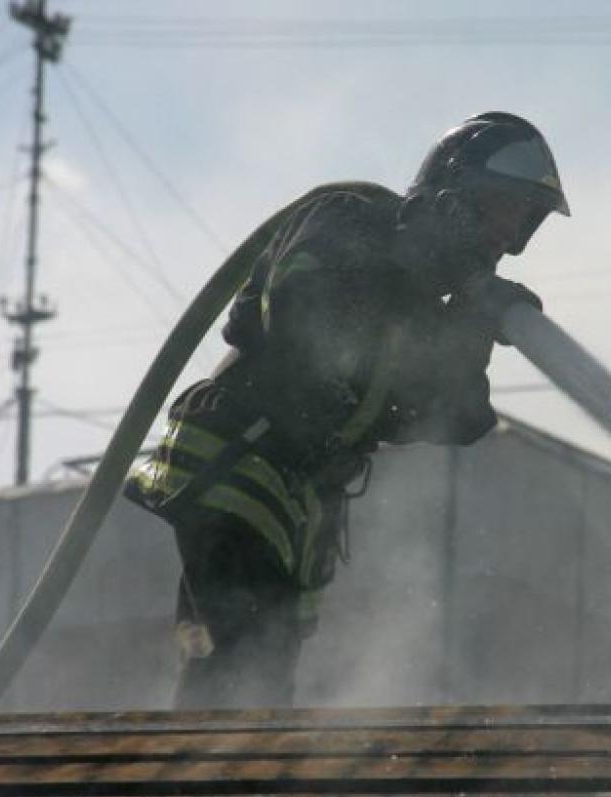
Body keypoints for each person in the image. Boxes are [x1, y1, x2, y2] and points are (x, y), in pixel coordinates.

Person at [124, 111, 569, 709]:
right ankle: (209, 774)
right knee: (246, 656)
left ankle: (194, 773)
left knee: (244, 667)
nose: (503, 241)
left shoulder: (423, 311)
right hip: (238, 467)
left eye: (520, 228)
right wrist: (422, 311)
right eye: (499, 213)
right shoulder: (350, 218)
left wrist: (470, 329)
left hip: (293, 500)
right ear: (453, 195)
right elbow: (302, 309)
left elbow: (456, 416)